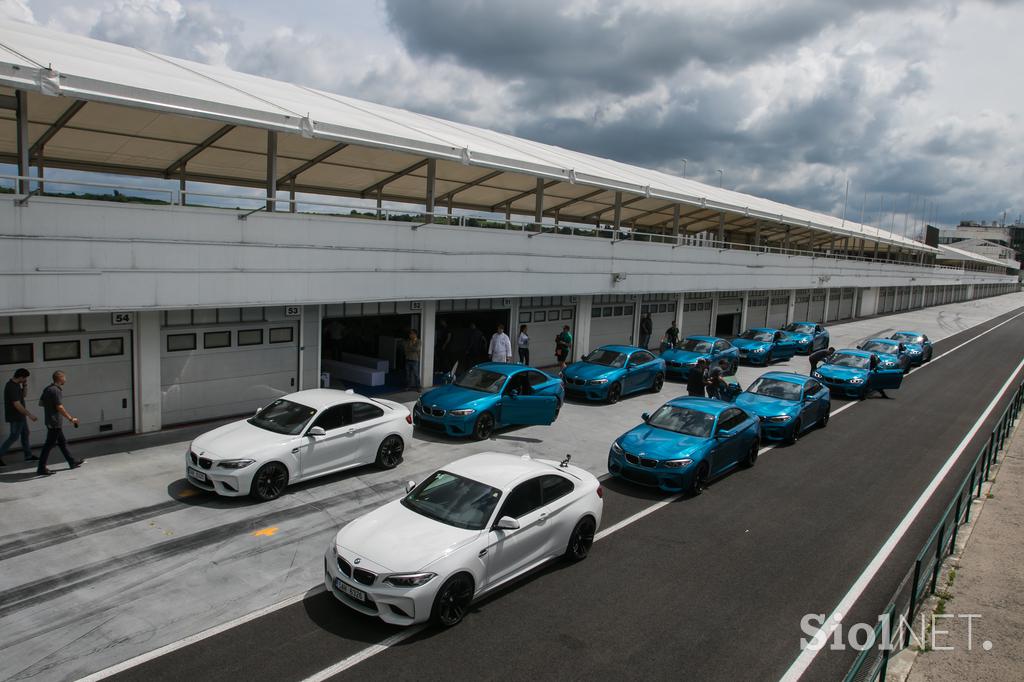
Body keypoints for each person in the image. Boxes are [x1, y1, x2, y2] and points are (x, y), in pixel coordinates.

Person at [36, 370, 84, 476]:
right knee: (48, 445)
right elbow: (59, 407)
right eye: (64, 377)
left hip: (50, 420)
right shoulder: (56, 390)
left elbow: (41, 403)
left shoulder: (47, 389)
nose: (65, 379)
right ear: (60, 378)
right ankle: (41, 468)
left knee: (62, 443)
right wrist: (71, 419)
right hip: (55, 422)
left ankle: (72, 462)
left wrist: (50, 409)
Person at [1, 368, 38, 466]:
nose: (25, 379)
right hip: (15, 416)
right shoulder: (11, 386)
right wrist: (30, 415)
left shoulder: (17, 385)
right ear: (21, 377)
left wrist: (25, 385)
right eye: (25, 378)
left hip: (20, 416)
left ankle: (28, 456)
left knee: (25, 433)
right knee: (13, 437)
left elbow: (24, 395)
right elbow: (17, 404)